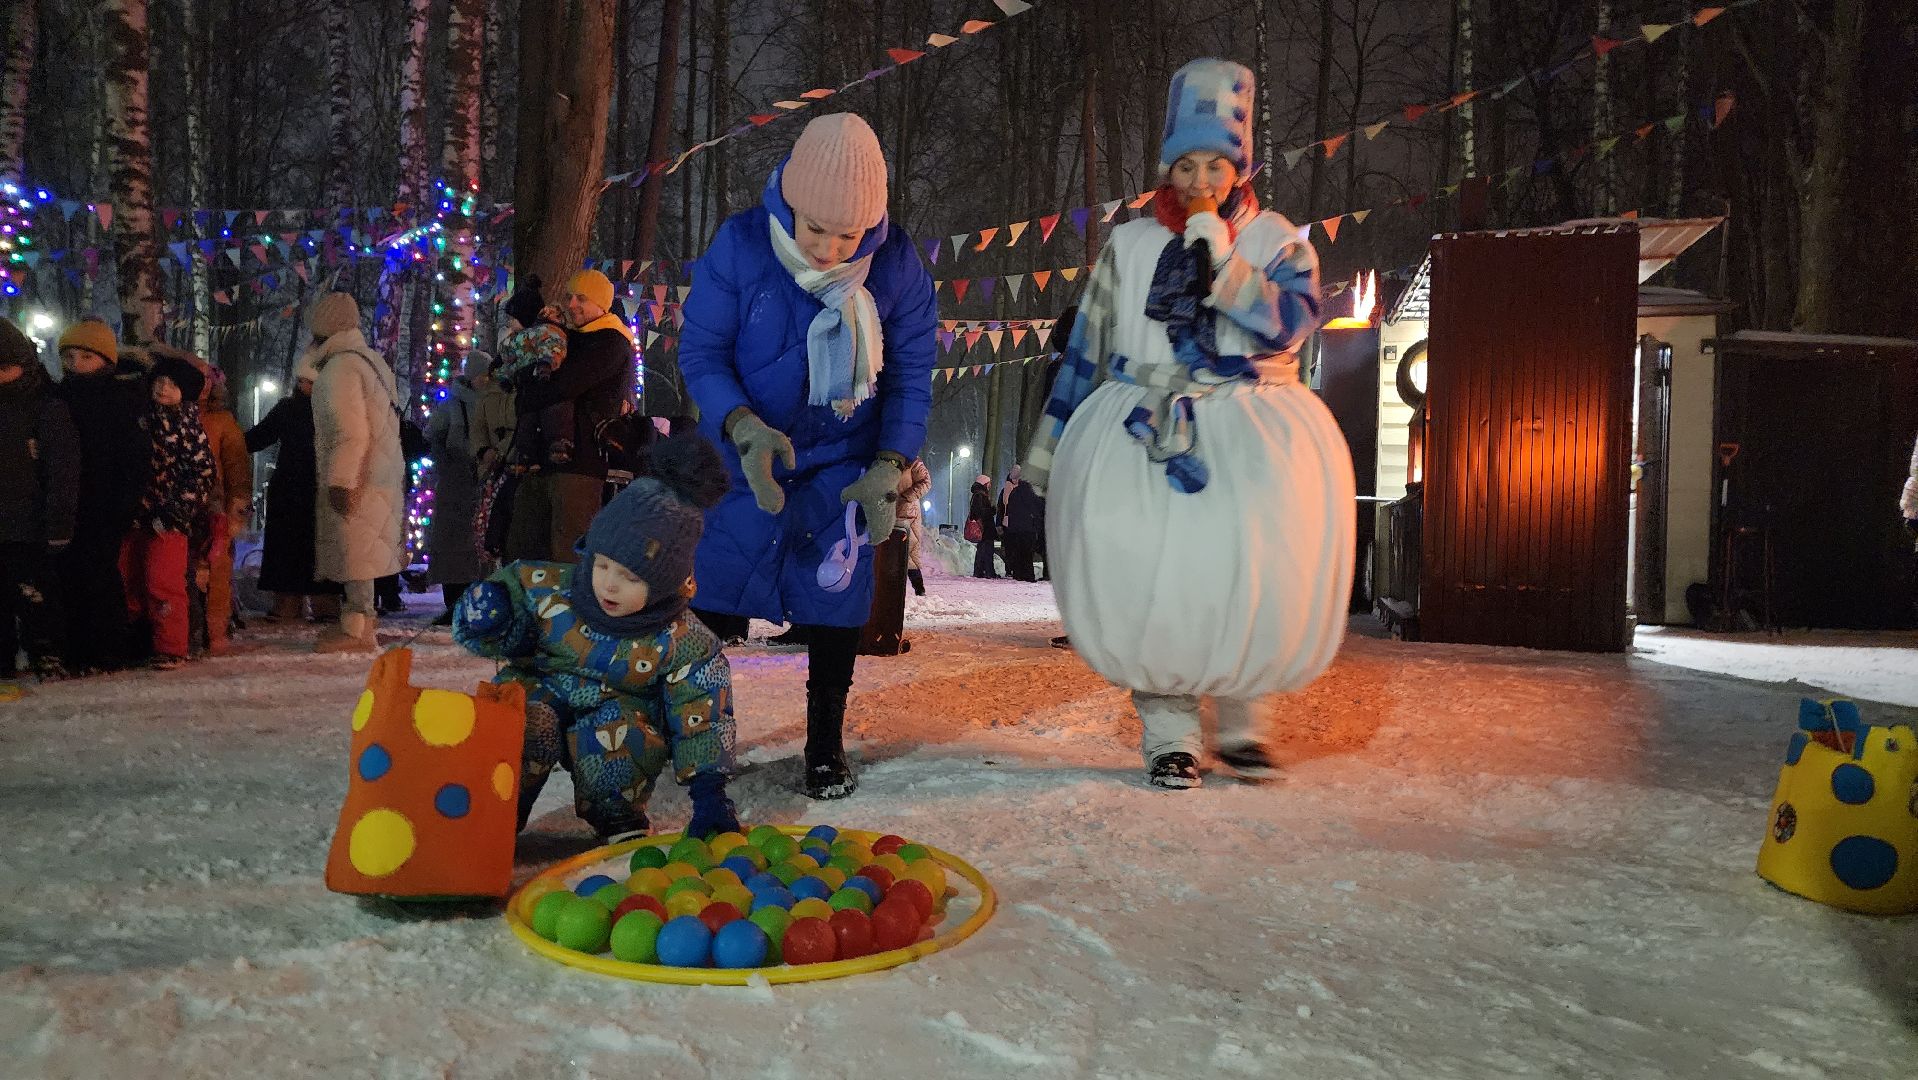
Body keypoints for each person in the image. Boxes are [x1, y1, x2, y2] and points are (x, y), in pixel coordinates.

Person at [1022, 58, 1353, 790]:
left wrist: (1226, 265)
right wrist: (1046, 450)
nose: (1201, 180)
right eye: (1185, 164)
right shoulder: (1132, 245)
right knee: (1158, 584)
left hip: (1251, 437)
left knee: (1246, 576)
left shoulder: (1280, 241)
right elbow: (1089, 345)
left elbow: (1291, 325)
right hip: (1147, 430)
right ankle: (1168, 733)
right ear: (1166, 168)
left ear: (1238, 167)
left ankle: (1242, 728)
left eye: (1216, 164)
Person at [678, 111, 938, 799]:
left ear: (873, 227)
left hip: (843, 463)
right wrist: (740, 425)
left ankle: (824, 741)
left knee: (836, 605)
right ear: (788, 201)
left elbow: (911, 374)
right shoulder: (740, 246)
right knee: (707, 598)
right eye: (813, 228)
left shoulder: (898, 268)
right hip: (744, 458)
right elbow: (701, 351)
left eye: (846, 235)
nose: (826, 249)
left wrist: (890, 463)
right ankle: (688, 730)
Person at [452, 435, 740, 843]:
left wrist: (709, 790)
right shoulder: (547, 588)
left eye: (631, 577)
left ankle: (614, 808)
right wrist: (492, 619)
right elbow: (507, 618)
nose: (610, 585)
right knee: (519, 719)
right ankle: (494, 804)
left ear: (664, 584)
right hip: (542, 687)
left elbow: (703, 710)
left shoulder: (682, 640)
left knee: (619, 732)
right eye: (603, 565)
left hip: (616, 710)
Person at [507, 269, 636, 563]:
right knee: (526, 552)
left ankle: (568, 609)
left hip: (581, 463)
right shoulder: (566, 337)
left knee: (568, 554)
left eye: (582, 298)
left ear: (602, 305)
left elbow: (563, 385)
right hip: (541, 462)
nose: (573, 304)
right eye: (570, 296)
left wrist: (531, 388)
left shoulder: (610, 342)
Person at [306, 292, 406, 654]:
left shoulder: (340, 369)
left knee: (355, 553)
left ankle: (356, 628)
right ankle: (360, 622)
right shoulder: (371, 363)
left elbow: (350, 432)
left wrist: (340, 480)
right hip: (380, 472)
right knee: (362, 552)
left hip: (358, 475)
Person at [53, 318, 149, 672]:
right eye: (69, 357)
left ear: (106, 361)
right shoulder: (59, 397)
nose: (76, 364)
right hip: (66, 503)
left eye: (85, 357)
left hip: (104, 504)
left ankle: (108, 649)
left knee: (99, 577)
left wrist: (124, 505)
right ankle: (75, 650)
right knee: (66, 577)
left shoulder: (119, 399)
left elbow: (134, 458)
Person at [122, 353, 216, 668]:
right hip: (136, 516)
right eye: (160, 382)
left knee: (163, 582)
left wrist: (175, 512)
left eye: (173, 385)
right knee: (129, 578)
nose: (163, 389)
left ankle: (171, 645)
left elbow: (201, 475)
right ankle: (135, 640)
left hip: (170, 521)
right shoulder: (140, 419)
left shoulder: (189, 429)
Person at [0, 318, 80, 681]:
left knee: (34, 592)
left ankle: (47, 651)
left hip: (27, 522)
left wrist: (58, 524)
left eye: (4, 367)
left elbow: (62, 470)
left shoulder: (45, 407)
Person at [246, 351, 341, 622]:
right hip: (295, 489)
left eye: (309, 381)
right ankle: (292, 604)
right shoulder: (292, 409)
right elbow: (260, 436)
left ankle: (320, 605)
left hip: (314, 489)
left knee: (314, 551)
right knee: (298, 550)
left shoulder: (329, 410)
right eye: (302, 381)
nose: (304, 386)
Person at [173, 350, 251, 654]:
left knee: (217, 568)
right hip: (179, 506)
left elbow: (237, 466)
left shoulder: (221, 421)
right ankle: (185, 629)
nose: (201, 385)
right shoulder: (170, 416)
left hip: (213, 508)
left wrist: (238, 504)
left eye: (206, 379)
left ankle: (216, 627)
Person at [424, 351, 489, 623]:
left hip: (479, 479)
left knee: (477, 543)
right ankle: (454, 603)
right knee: (452, 542)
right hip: (456, 481)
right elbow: (432, 437)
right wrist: (446, 461)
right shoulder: (451, 406)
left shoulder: (489, 401)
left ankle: (473, 602)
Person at [1001, 465, 1042, 582]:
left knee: (1018, 553)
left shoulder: (1014, 493)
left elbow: (1010, 509)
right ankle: (1028, 575)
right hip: (1028, 529)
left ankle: (1018, 574)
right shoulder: (1031, 494)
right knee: (1027, 554)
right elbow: (1037, 509)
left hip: (1015, 529)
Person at [897, 457, 931, 596]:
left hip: (908, 513)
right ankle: (891, 589)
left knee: (910, 552)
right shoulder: (884, 458)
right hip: (887, 512)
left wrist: (906, 496)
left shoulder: (913, 462)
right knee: (889, 553)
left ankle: (919, 588)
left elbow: (926, 482)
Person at [966, 475, 999, 579]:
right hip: (984, 528)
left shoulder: (979, 495)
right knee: (987, 550)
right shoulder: (980, 496)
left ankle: (981, 571)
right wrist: (992, 511)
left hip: (984, 527)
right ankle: (988, 572)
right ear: (984, 483)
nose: (989, 485)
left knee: (983, 550)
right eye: (988, 483)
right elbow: (979, 512)